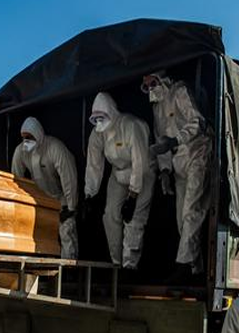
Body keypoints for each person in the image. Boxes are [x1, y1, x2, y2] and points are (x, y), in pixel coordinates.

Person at [143, 72, 212, 278]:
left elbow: (197, 122)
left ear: (162, 79)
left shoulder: (179, 91)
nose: (150, 89)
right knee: (182, 218)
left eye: (152, 83)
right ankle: (195, 269)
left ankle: (182, 266)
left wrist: (175, 140)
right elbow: (159, 140)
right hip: (178, 162)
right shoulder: (156, 109)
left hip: (197, 153)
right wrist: (164, 171)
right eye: (146, 87)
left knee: (192, 211)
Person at [84, 92, 155, 269]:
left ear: (111, 112)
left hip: (143, 172)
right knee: (110, 216)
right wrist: (89, 193)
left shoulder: (131, 126)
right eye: (96, 118)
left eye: (102, 117)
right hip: (118, 173)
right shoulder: (97, 134)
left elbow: (140, 161)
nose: (99, 122)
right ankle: (117, 263)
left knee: (134, 220)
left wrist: (132, 195)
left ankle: (129, 266)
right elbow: (94, 164)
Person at [12, 117, 79, 259]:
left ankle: (69, 267)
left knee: (66, 230)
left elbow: (69, 178)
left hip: (61, 197)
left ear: (38, 135)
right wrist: (21, 202)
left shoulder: (55, 148)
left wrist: (71, 206)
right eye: (23, 137)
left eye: (29, 137)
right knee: (40, 233)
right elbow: (16, 178)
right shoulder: (21, 152)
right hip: (40, 198)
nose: (26, 141)